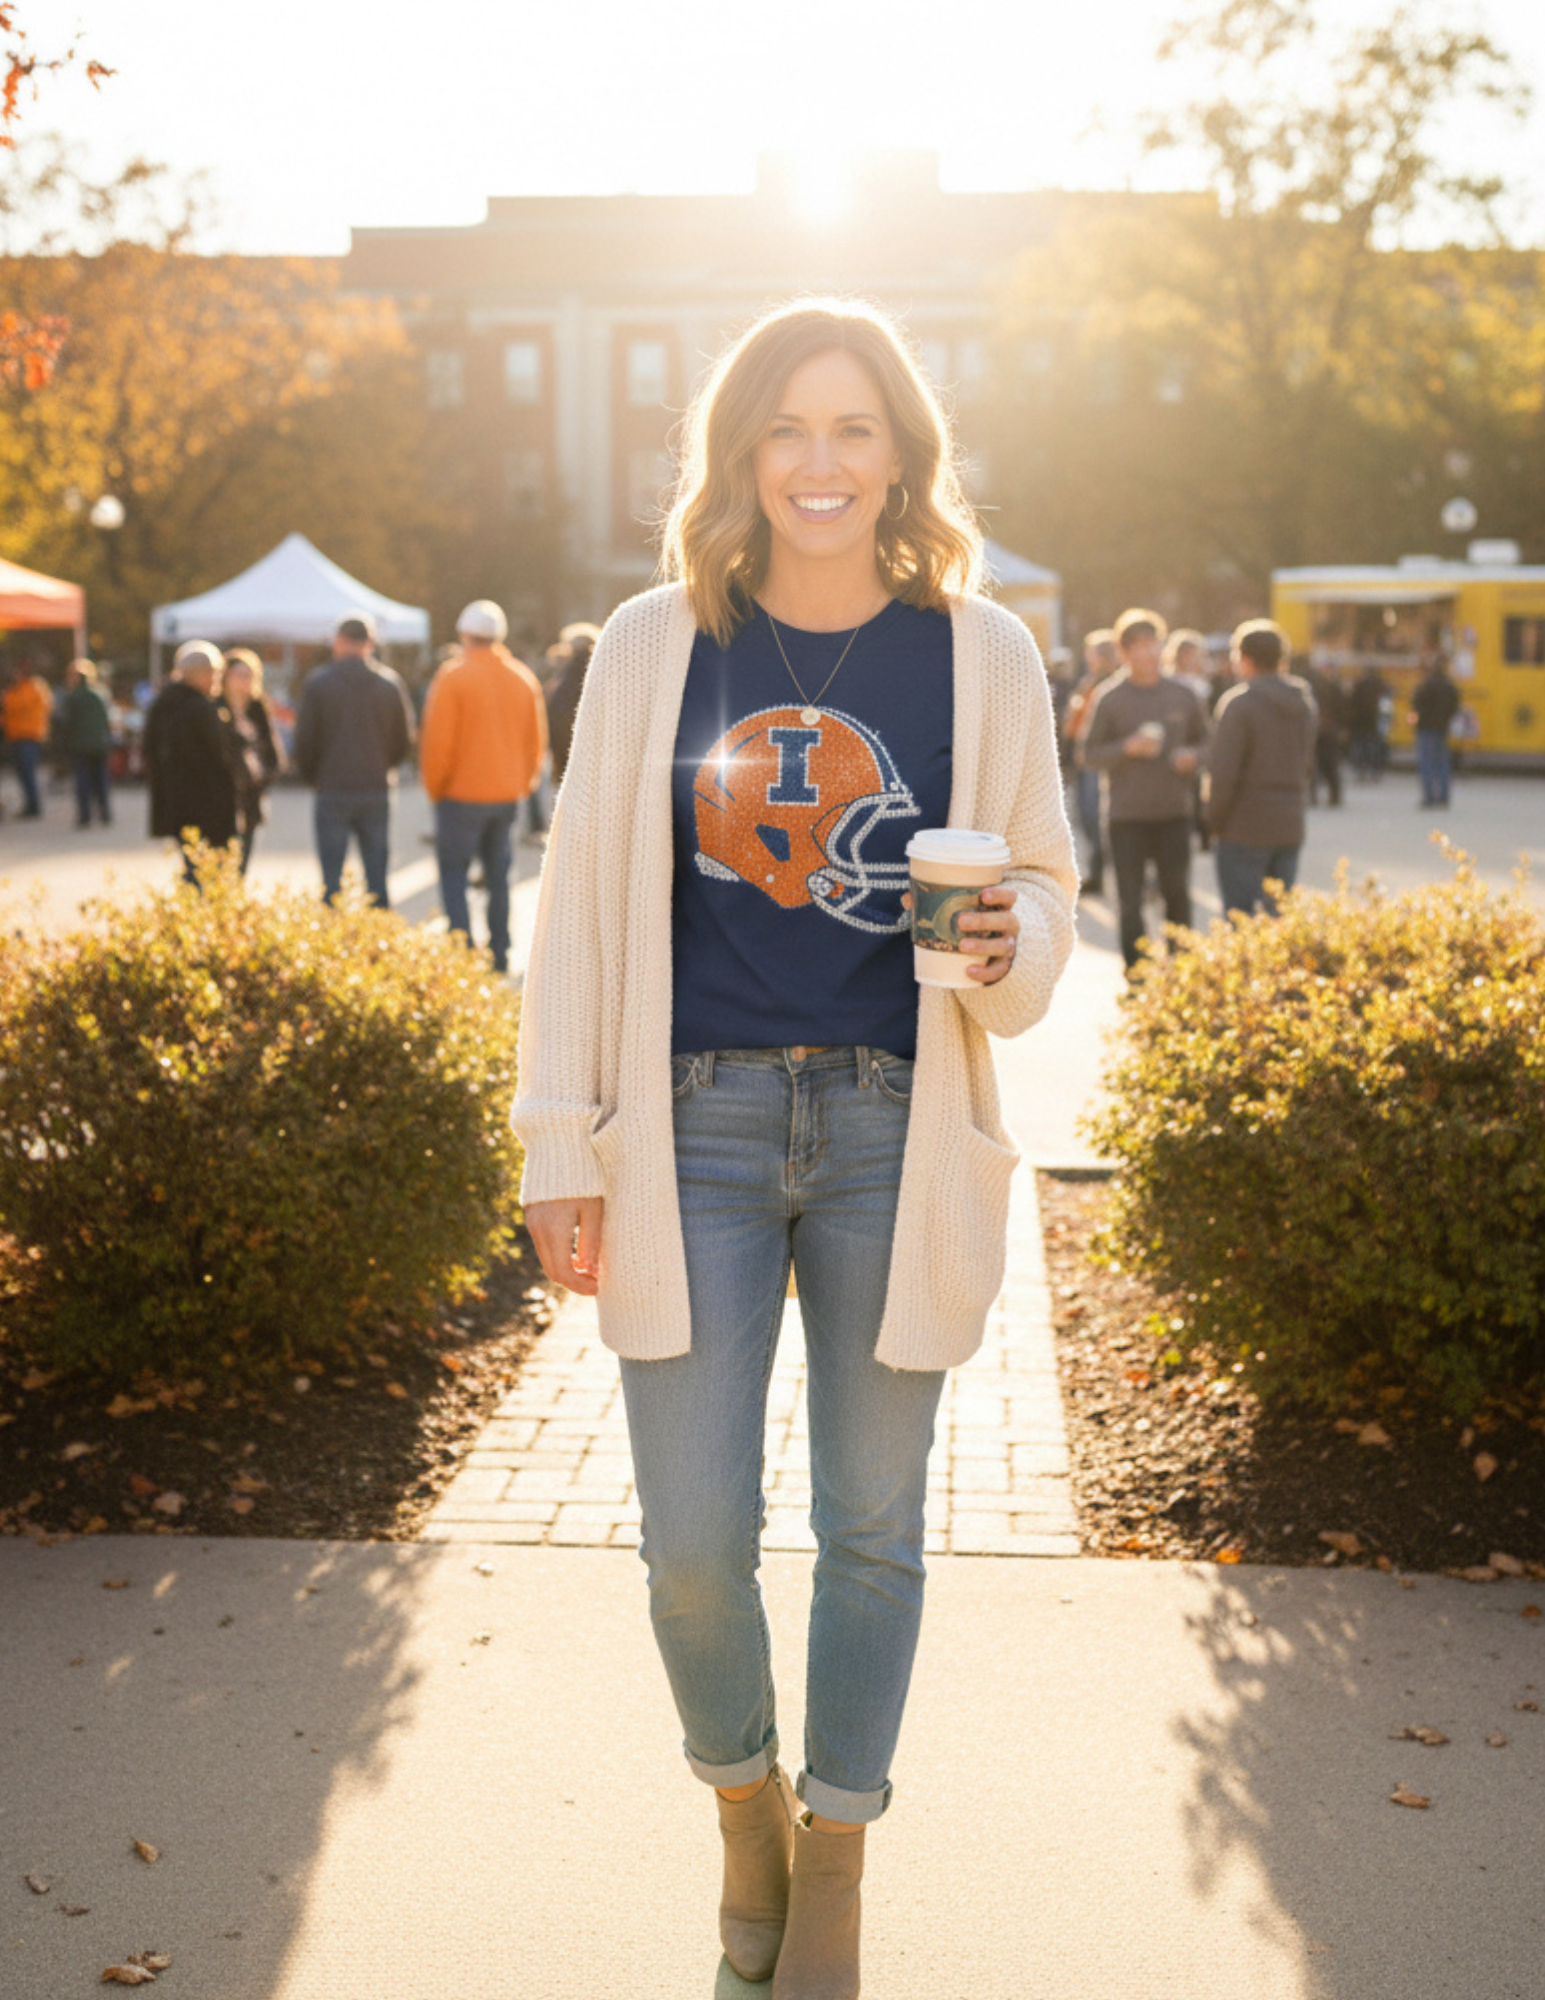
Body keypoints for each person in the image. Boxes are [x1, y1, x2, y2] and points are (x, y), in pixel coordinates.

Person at [511, 297, 1076, 1998]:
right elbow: (578, 916)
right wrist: (561, 1144)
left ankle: (834, 1851)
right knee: (691, 1544)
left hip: (897, 1134)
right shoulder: (649, 645)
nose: (821, 465)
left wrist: (1011, 952)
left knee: (874, 1528)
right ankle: (742, 1797)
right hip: (692, 1127)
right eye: (787, 432)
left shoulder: (983, 651)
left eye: (854, 431)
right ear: (739, 458)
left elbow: (1043, 886)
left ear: (901, 454)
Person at [419, 599, 548, 973]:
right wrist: (522, 783)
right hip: (505, 795)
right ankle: (500, 952)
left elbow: (438, 742)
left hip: (459, 795)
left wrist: (435, 788)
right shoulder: (523, 678)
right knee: (498, 877)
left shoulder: (454, 676)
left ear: (464, 635)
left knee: (454, 874)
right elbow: (535, 742)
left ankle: (461, 949)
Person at [1077, 607, 1208, 972]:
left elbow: (1209, 745)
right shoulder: (1110, 697)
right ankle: (1136, 972)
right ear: (1123, 652)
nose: (1148, 653)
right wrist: (1126, 748)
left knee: (1177, 896)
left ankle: (1180, 971)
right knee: (1130, 900)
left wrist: (1192, 756)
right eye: (1139, 647)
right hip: (1125, 817)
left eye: (1154, 645)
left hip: (1175, 814)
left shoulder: (1184, 694)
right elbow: (1086, 753)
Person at [293, 613, 416, 906]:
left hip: (332, 788)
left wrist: (315, 778)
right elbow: (404, 740)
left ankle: (332, 944)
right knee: (377, 876)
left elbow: (305, 741)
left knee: (332, 880)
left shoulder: (319, 684)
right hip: (375, 787)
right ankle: (378, 942)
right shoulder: (389, 685)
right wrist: (385, 767)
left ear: (338, 642)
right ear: (369, 643)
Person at [1205, 620, 1318, 916]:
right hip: (1289, 821)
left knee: (1241, 918)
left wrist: (1213, 819)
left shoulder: (1239, 704)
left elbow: (1223, 773)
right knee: (1277, 922)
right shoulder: (1303, 702)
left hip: (1243, 825)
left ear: (1244, 659)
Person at [144, 640, 240, 881]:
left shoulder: (162, 704)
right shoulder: (199, 708)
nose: (217, 680)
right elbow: (221, 755)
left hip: (175, 805)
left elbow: (149, 751)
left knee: (192, 868)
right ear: (201, 674)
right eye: (215, 674)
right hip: (207, 807)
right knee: (205, 875)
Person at [1062, 627, 1119, 894]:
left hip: (1098, 762)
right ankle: (1098, 872)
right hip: (1083, 759)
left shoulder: (1110, 684)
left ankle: (1106, 873)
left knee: (1096, 819)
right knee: (1087, 818)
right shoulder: (1089, 681)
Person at [220, 647, 284, 873]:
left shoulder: (258, 707)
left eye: (249, 676)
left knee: (243, 859)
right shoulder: (216, 707)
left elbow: (272, 751)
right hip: (222, 797)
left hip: (252, 793)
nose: (244, 681)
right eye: (239, 675)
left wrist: (263, 775)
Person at [57, 657, 114, 827]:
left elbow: (66, 722)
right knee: (100, 779)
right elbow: (105, 721)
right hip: (99, 745)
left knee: (82, 780)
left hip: (80, 745)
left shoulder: (73, 698)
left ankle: (85, 815)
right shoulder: (98, 695)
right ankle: (105, 812)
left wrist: (63, 744)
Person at [2, 658, 53, 818]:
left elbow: (15, 707)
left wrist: (7, 696)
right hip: (20, 736)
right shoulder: (23, 689)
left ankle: (33, 806)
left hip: (27, 736)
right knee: (24, 773)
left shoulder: (31, 688)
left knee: (27, 772)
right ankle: (31, 804)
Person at [1409, 656, 1461, 807]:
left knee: (1427, 763)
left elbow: (1416, 704)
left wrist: (1419, 720)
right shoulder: (1449, 686)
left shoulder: (1425, 685)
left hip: (1426, 728)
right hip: (1442, 728)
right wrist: (1446, 719)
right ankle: (1444, 796)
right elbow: (1455, 705)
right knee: (1442, 763)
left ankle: (1429, 796)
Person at [1347, 663, 1388, 780]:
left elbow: (1352, 702)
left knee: (1360, 747)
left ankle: (1361, 771)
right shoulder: (1379, 683)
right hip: (1374, 720)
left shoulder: (1359, 684)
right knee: (1374, 747)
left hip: (1360, 721)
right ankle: (1375, 771)